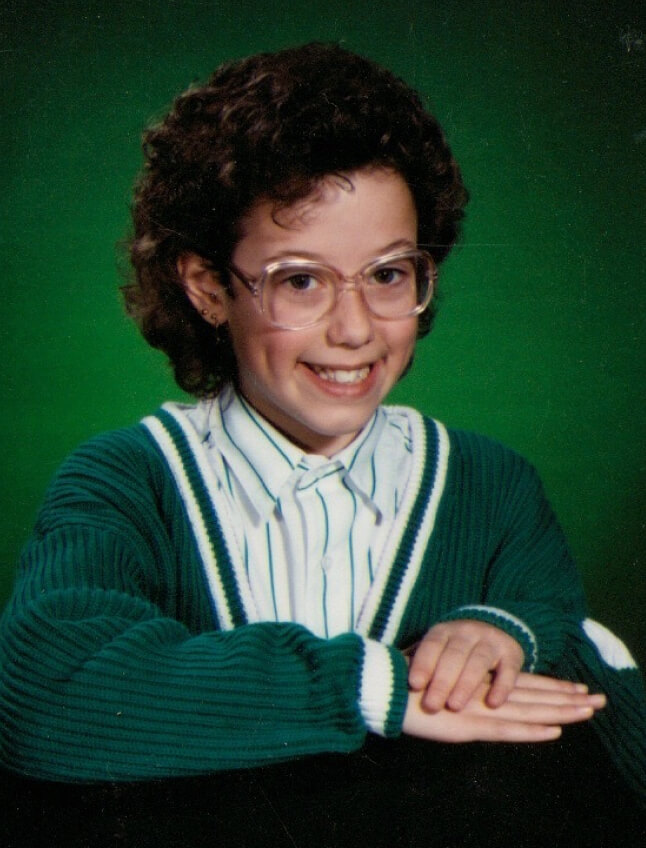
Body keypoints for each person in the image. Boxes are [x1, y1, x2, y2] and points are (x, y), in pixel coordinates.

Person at [0, 43, 644, 846]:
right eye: (300, 280)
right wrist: (372, 684)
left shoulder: (492, 482)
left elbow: (551, 615)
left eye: (388, 275)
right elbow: (47, 693)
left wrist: (502, 629)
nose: (353, 330)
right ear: (206, 287)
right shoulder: (126, 480)